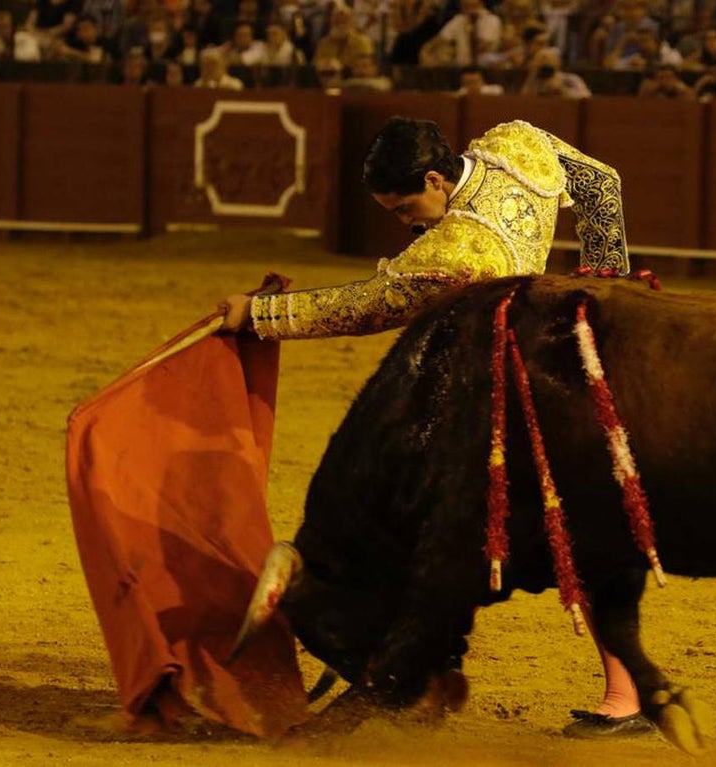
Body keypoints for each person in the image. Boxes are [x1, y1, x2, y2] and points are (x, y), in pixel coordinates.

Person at [219, 118, 646, 738]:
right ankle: (625, 693)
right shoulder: (515, 144)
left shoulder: (451, 254)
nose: (404, 222)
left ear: (436, 180)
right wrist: (604, 291)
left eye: (405, 208)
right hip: (560, 375)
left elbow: (362, 307)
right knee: (580, 535)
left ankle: (402, 671)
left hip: (497, 403)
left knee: (419, 520)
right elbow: (601, 184)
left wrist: (260, 314)